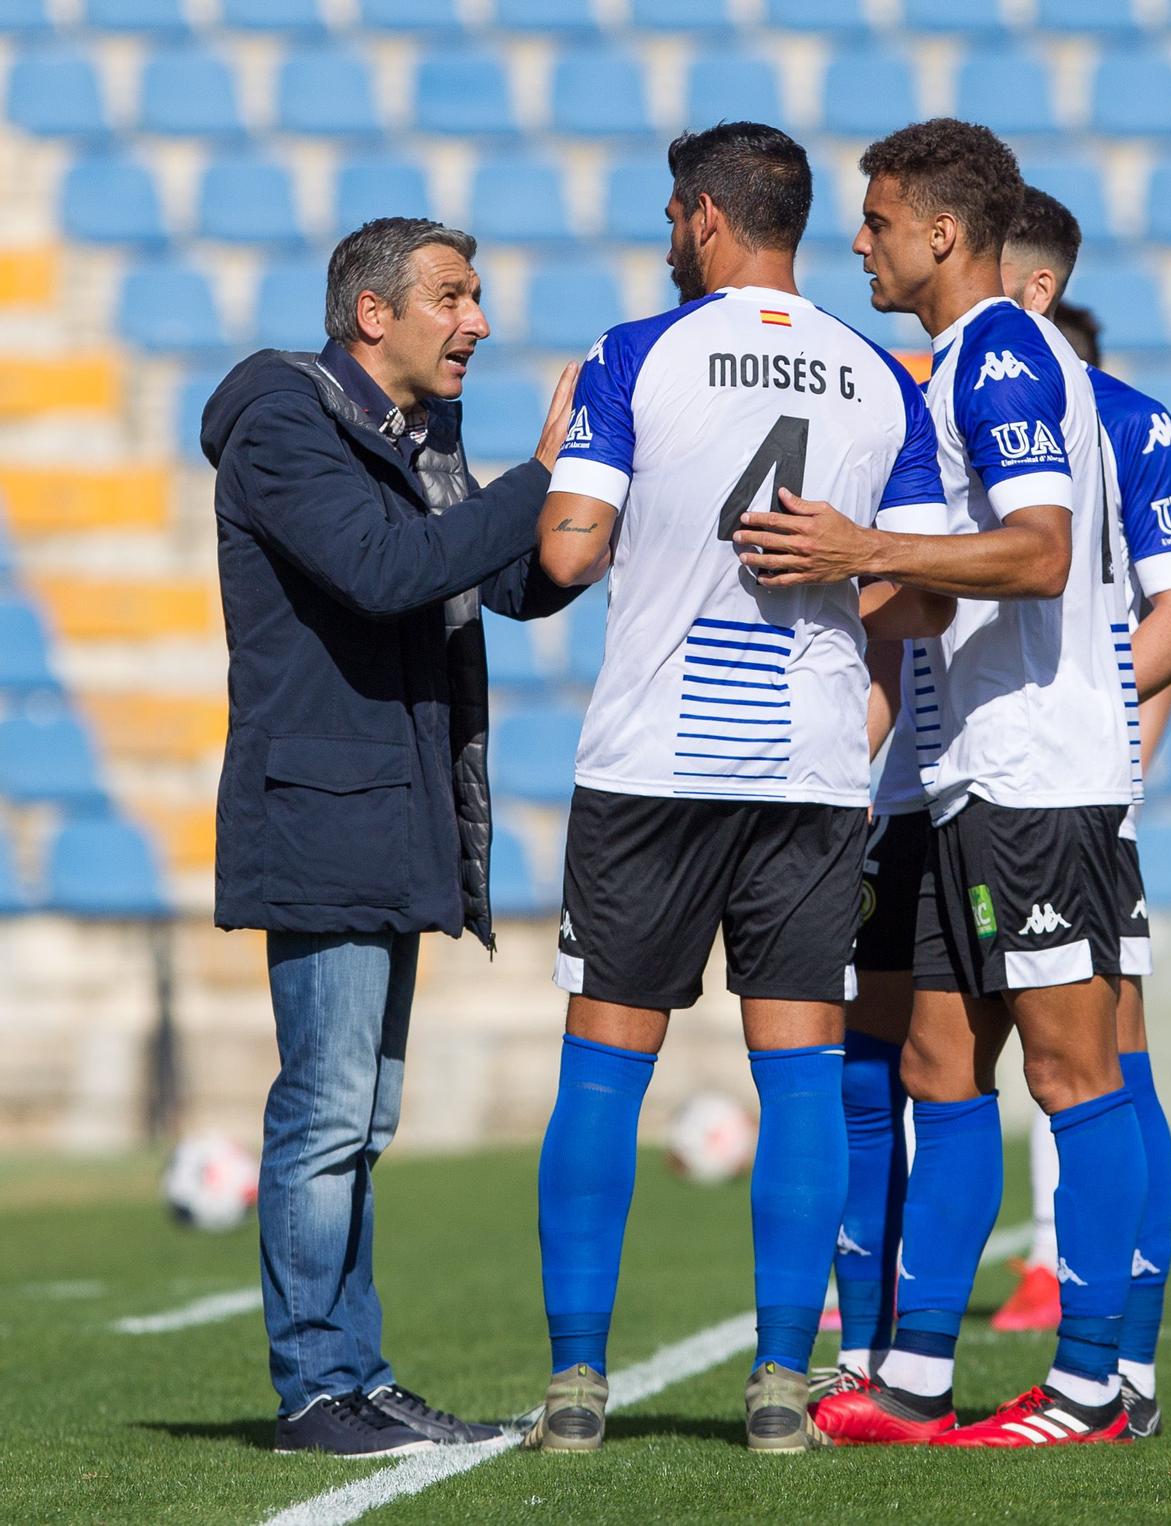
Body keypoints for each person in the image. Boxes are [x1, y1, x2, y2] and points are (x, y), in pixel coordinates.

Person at [518, 121, 950, 1457]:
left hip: (653, 761)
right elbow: (923, 587)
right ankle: (778, 1384)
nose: (664, 237)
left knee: (603, 1074)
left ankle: (580, 1386)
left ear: (705, 218)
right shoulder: (883, 379)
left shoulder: (631, 354)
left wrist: (551, 478)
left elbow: (573, 552)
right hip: (807, 768)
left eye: (670, 215)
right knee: (803, 1078)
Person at [736, 119, 1145, 1448]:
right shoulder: (960, 363)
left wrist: (858, 543)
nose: (859, 239)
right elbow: (934, 596)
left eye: (876, 218)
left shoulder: (1010, 352)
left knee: (1077, 1076)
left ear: (943, 233)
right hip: (969, 770)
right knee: (934, 1055)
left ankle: (1092, 1383)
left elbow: (1036, 553)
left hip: (1038, 770)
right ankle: (915, 1375)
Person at [202, 217, 581, 1457]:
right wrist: (537, 479)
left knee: (362, 1116)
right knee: (323, 1111)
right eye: (454, 297)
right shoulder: (283, 417)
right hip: (323, 808)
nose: (478, 320)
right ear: (376, 314)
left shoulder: (411, 434)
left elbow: (502, 584)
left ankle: (357, 1376)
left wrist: (596, 497)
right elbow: (380, 568)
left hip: (391, 809)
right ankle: (317, 1388)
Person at [989, 199, 1171, 1441]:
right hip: (980, 779)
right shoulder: (959, 403)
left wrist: (1097, 728)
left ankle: (1114, 1361)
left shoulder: (1119, 425)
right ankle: (899, 1341)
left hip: (1064, 791)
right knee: (979, 1057)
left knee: (1099, 1056)